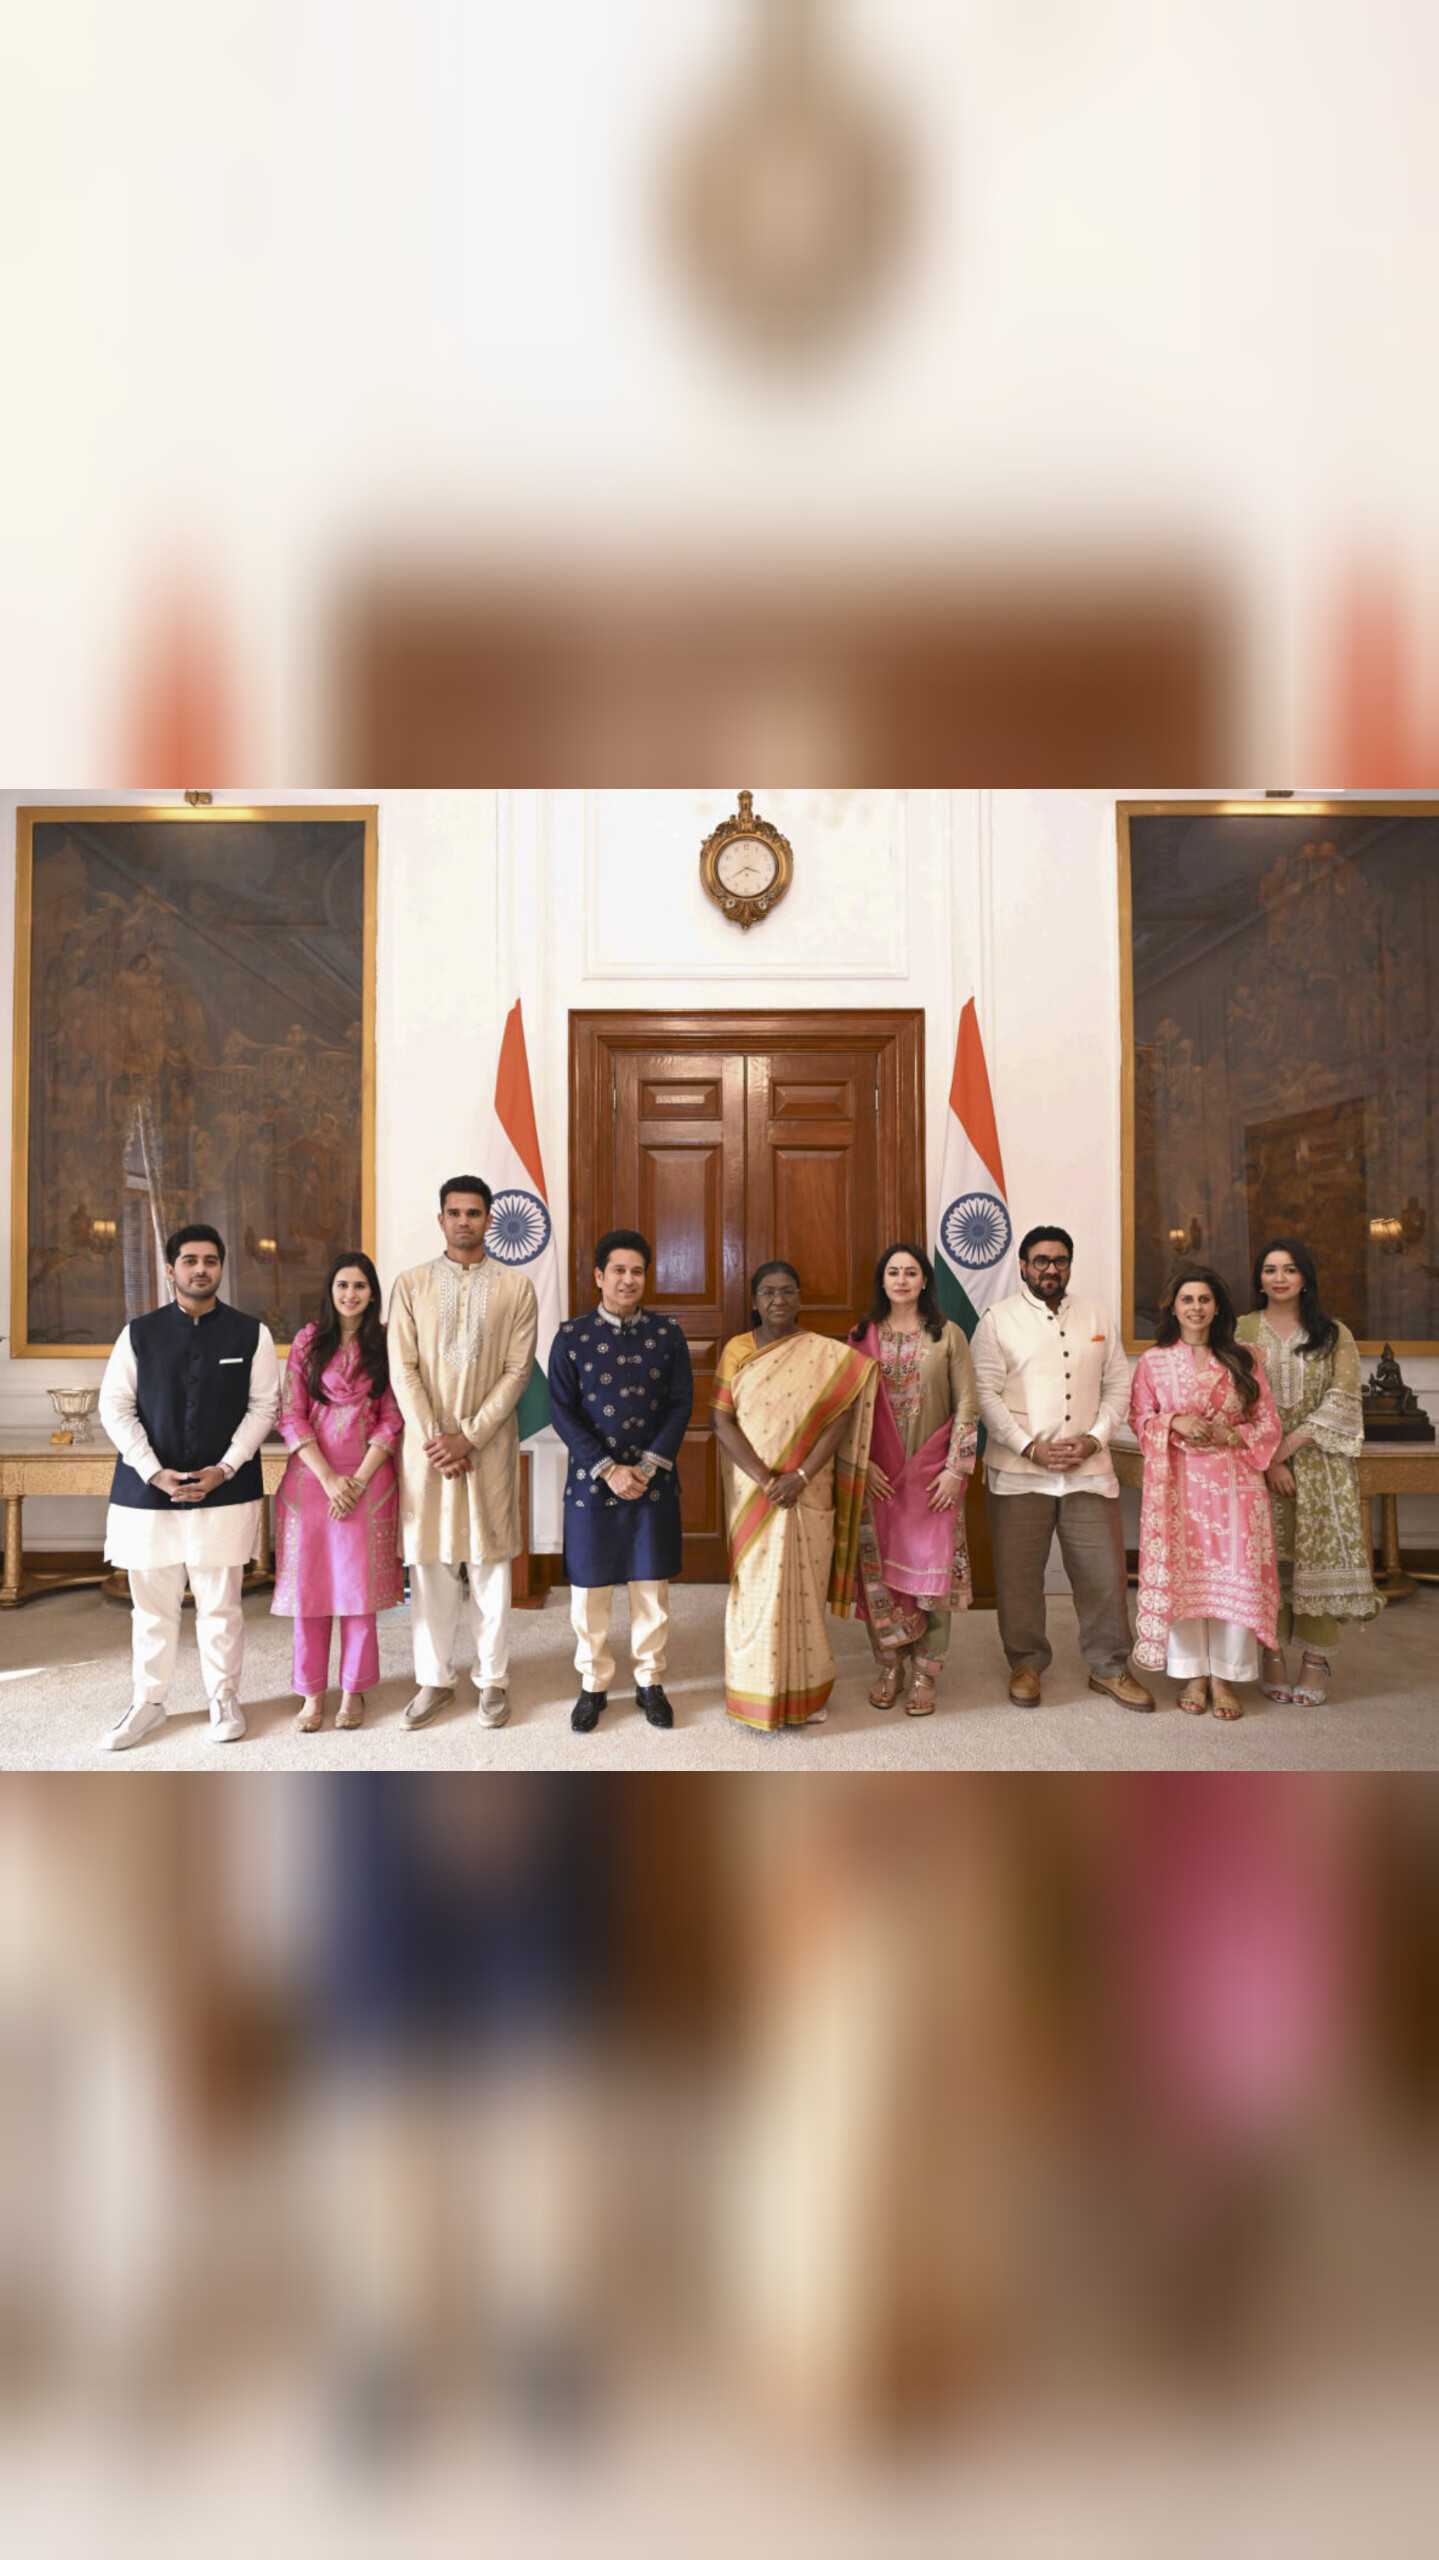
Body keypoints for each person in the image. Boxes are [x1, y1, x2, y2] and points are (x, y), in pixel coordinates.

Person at [97, 1222, 280, 1750]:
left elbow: (264, 1406)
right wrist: (151, 1468)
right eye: (190, 1260)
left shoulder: (252, 1334)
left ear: (222, 1268)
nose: (201, 1269)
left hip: (225, 1489)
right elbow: (115, 1406)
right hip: (147, 1492)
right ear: (170, 1268)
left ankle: (223, 1697)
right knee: (152, 1608)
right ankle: (148, 1702)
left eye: (211, 1261)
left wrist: (224, 1467)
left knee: (220, 1604)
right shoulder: (138, 1333)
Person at [970, 1224, 1154, 1711]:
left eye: (1060, 1260)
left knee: (1103, 1574)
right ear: (1023, 1266)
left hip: (1088, 1470)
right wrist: (1029, 1447)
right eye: (1041, 1261)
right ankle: (1027, 1664)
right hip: (1018, 1470)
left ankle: (1110, 1667)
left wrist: (1095, 1440)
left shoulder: (1095, 1314)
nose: (1051, 1269)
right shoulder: (997, 1319)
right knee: (1019, 1577)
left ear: (1069, 1264)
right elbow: (984, 1393)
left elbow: (1119, 1385)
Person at [388, 1176, 538, 1731]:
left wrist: (468, 1437)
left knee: (490, 1566)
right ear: (440, 1219)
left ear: (490, 1219)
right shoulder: (411, 1284)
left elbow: (518, 1370)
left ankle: (492, 1681)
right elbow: (402, 1367)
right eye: (454, 1212)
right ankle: (434, 1680)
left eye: (474, 1212)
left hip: (487, 1446)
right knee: (429, 1565)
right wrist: (435, 1436)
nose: (464, 1221)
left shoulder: (517, 1288)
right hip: (427, 1450)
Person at [712, 1262, 878, 1732]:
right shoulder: (736, 1351)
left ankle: (807, 1693)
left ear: (800, 1296)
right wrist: (767, 1478)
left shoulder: (826, 1356)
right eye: (768, 1292)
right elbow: (722, 1420)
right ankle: (753, 1691)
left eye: (787, 1291)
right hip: (753, 1489)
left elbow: (839, 1420)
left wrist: (801, 1475)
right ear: (754, 1300)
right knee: (753, 1589)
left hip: (809, 1486)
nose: (778, 1300)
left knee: (805, 1589)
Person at [547, 1228, 694, 1735]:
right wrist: (608, 1469)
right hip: (593, 1482)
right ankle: (593, 1684)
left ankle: (650, 1681)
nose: (628, 1280)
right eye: (618, 1271)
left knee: (650, 1586)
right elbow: (561, 1411)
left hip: (653, 1479)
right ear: (598, 1277)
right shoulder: (571, 1337)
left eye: (636, 1271)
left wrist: (647, 1467)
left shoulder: (668, 1334)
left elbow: (681, 1403)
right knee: (590, 1590)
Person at [1129, 1265, 1283, 1719]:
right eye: (1187, 1300)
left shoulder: (1244, 1357)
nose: (1196, 1308)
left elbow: (1268, 1422)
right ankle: (1193, 1673)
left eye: (1204, 1300)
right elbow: (1139, 1419)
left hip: (1235, 1484)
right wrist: (1175, 1422)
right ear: (1173, 1308)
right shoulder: (1154, 1362)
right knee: (1186, 1573)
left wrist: (1230, 1436)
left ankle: (1226, 1676)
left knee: (1233, 1573)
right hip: (1178, 1485)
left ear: (1217, 1307)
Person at [1237, 1236, 1381, 1706]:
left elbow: (1342, 1399)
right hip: (1256, 1463)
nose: (1279, 1278)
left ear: (1305, 1278)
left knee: (1314, 1565)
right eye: (1270, 1269)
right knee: (1269, 1562)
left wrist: (1285, 1452)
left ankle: (1316, 1660)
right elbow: (1231, 1396)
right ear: (1259, 1278)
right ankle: (1271, 1653)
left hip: (1318, 1465)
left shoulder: (1334, 1333)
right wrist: (1267, 1458)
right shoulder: (1240, 1329)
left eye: (1289, 1269)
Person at [272, 1251, 405, 1731]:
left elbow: (392, 1417)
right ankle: (311, 1695)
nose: (351, 1295)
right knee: (311, 1592)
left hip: (368, 1482)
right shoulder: (309, 1342)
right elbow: (290, 1414)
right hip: (311, 1481)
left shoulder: (386, 1346)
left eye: (360, 1286)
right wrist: (329, 1479)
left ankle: (353, 1691)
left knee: (357, 1591)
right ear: (331, 1291)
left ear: (372, 1293)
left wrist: (359, 1479)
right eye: (343, 1285)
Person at [847, 1241, 978, 1715]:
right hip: (879, 1478)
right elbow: (847, 1409)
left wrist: (954, 1470)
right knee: (879, 1574)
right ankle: (889, 1663)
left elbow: (967, 1404)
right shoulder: (862, 1336)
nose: (901, 1280)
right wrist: (863, 1464)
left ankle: (926, 1670)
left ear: (925, 1280)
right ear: (882, 1281)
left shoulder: (949, 1336)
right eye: (893, 1272)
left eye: (911, 1272)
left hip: (933, 1479)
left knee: (932, 1575)